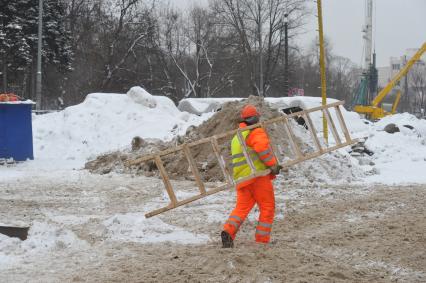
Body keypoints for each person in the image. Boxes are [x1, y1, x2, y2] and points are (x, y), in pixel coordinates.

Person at [221, 104, 282, 248]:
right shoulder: (255, 132)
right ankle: (262, 240)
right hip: (258, 177)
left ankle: (228, 231)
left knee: (241, 209)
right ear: (256, 118)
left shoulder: (238, 135)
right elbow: (262, 148)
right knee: (267, 207)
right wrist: (273, 165)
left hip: (242, 180)